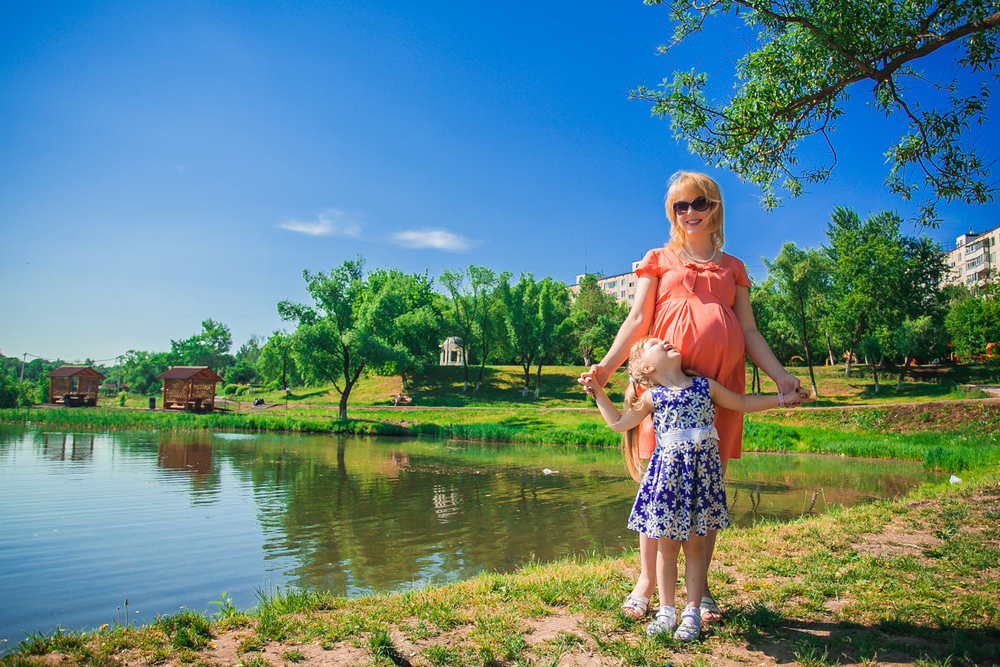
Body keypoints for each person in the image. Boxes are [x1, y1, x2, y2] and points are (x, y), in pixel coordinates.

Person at [579, 171, 803, 623]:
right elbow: (637, 319)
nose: (689, 212)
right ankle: (646, 582)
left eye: (699, 203)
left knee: (707, 490)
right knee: (657, 485)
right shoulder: (658, 258)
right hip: (663, 387)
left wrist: (780, 377)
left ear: (715, 207)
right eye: (680, 206)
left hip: (718, 384)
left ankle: (699, 593)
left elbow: (750, 331)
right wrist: (605, 367)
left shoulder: (733, 267)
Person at [583, 335, 811, 640]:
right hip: (668, 484)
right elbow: (620, 423)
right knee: (666, 551)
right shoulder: (653, 398)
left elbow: (742, 403)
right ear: (648, 367)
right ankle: (666, 612)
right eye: (655, 344)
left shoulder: (705, 387)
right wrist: (598, 393)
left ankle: (691, 613)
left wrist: (783, 399)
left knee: (695, 548)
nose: (665, 341)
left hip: (699, 481)